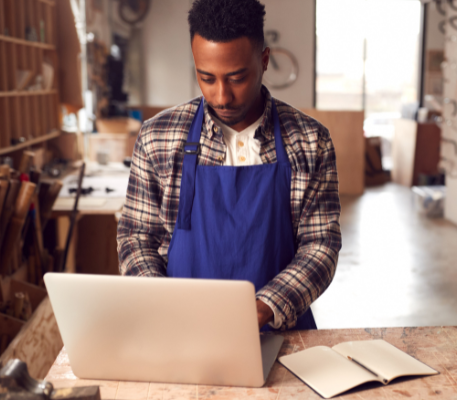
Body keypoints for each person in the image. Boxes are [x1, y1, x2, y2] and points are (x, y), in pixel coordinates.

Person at [116, 0, 341, 331]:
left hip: (280, 333)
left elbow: (321, 244)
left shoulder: (310, 141)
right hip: (182, 331)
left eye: (237, 78)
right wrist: (160, 300)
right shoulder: (157, 137)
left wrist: (266, 306)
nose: (221, 96)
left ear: (264, 60)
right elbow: (136, 237)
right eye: (206, 78)